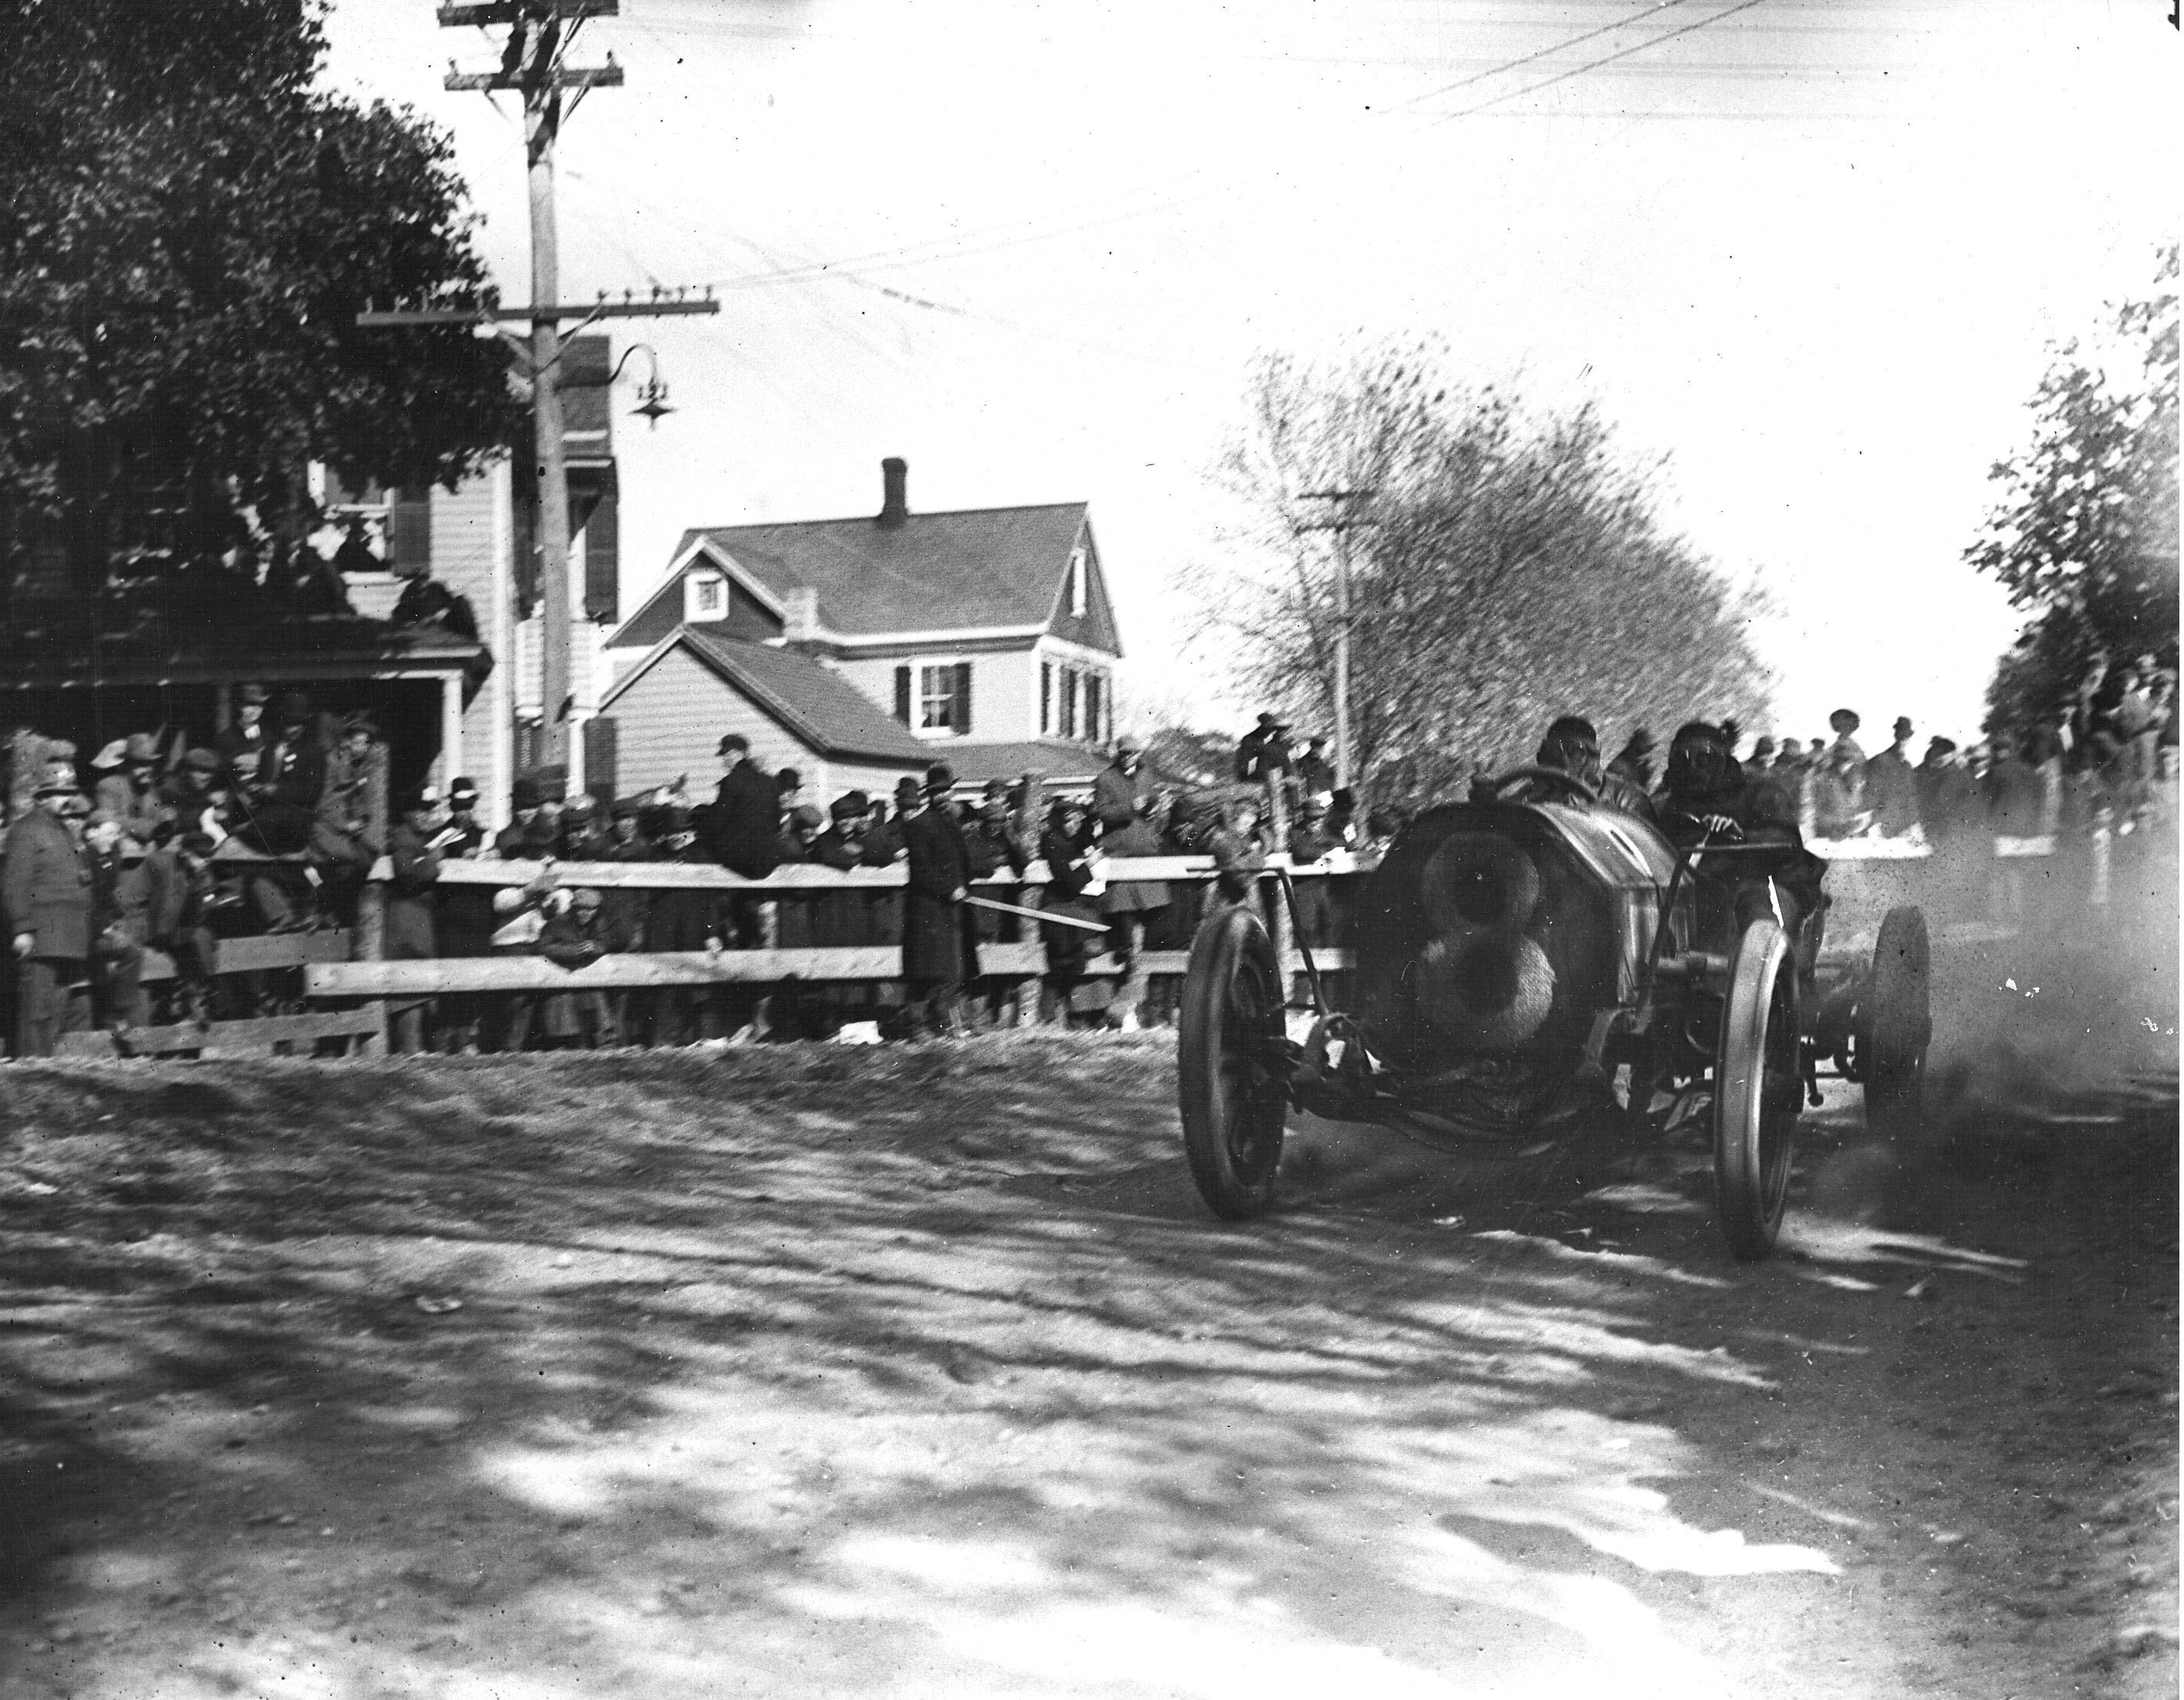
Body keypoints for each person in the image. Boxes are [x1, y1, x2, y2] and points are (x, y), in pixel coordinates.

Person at [1655, 720, 1826, 977]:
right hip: (1692, 887)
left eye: (1703, 759)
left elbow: (1786, 842)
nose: (1692, 768)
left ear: (1721, 758)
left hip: (1762, 880)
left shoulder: (1761, 790)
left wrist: (1740, 836)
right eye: (1682, 759)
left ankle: (1768, 973)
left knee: (1753, 906)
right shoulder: (1666, 802)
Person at [4, 760, 94, 1056]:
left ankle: (48, 1070)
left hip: (67, 936)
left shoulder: (62, 830)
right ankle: (31, 1071)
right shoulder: (26, 830)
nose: (68, 799)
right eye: (60, 793)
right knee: (36, 1012)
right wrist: (22, 929)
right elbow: (15, 883)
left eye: (70, 792)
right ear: (41, 797)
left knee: (56, 1011)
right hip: (41, 936)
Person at [1092, 735, 1170, 1030]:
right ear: (1118, 754)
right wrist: (1131, 807)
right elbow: (1101, 812)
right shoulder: (1105, 778)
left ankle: (1148, 1008)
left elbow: (1156, 805)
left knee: (1156, 933)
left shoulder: (1148, 774)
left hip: (1147, 853)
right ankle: (1121, 1006)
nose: (1130, 757)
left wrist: (1155, 808)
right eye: (1125, 753)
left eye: (1134, 753)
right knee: (1123, 933)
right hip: (1120, 856)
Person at [896, 774, 975, 1038]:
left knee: (952, 972)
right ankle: (917, 1025)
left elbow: (963, 863)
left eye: (946, 791)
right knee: (926, 972)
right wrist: (949, 889)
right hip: (929, 910)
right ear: (928, 794)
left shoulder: (952, 823)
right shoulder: (919, 824)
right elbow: (921, 870)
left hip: (953, 911)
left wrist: (964, 886)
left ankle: (943, 1024)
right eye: (936, 792)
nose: (942, 797)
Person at [382, 790, 443, 1053]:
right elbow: (407, 875)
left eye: (431, 809)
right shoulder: (402, 838)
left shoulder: (417, 838)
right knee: (408, 984)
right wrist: (433, 860)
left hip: (418, 922)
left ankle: (413, 1047)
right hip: (406, 923)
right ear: (408, 813)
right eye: (422, 809)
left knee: (416, 984)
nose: (428, 814)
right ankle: (410, 1049)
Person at [1037, 797, 1106, 1024]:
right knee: (1061, 961)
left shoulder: (1071, 839)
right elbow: (1070, 882)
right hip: (1058, 906)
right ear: (1059, 821)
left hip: (1071, 907)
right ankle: (1048, 1017)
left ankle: (1071, 1018)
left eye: (1078, 821)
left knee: (1073, 960)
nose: (1074, 826)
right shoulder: (1052, 841)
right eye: (1069, 821)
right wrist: (1089, 865)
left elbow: (1087, 838)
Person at [82, 812, 148, 1038]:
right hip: (86, 933)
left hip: (100, 928)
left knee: (130, 944)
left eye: (117, 834)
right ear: (91, 833)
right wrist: (105, 928)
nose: (115, 838)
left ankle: (119, 1014)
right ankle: (119, 1013)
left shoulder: (107, 859)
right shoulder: (83, 859)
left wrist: (118, 922)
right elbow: (86, 903)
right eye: (109, 833)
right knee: (131, 952)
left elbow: (109, 899)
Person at [537, 887, 628, 1049]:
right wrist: (572, 951)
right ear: (574, 907)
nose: (587, 914)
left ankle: (605, 1040)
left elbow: (605, 942)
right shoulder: (557, 924)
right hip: (560, 976)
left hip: (587, 977)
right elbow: (543, 947)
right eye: (582, 909)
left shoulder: (598, 923)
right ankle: (566, 1044)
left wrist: (595, 947)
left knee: (596, 996)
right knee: (563, 1005)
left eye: (592, 909)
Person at [93, 734, 171, 847]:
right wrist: (150, 827)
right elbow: (106, 820)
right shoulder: (108, 785)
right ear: (127, 765)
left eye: (151, 764)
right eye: (141, 765)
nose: (148, 770)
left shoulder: (151, 788)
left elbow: (160, 818)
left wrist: (167, 818)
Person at [1865, 717, 1920, 837]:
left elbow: (1911, 795)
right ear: (1896, 735)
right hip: (1881, 823)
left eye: (1906, 736)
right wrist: (1874, 822)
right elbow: (1871, 794)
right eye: (1901, 735)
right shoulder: (1881, 760)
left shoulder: (1907, 766)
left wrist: (1912, 823)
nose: (1903, 739)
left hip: (1901, 824)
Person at [215, 684, 272, 790]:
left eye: (260, 705)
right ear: (239, 705)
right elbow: (219, 774)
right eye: (249, 704)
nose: (255, 709)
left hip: (262, 794)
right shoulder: (226, 738)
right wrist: (234, 761)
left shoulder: (267, 736)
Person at [1233, 712, 1291, 787]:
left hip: (1277, 762)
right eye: (1267, 722)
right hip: (1266, 764)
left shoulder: (1278, 731)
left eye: (1270, 721)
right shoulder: (1253, 737)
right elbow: (1246, 756)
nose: (1269, 724)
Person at [1294, 736, 1336, 800]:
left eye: (1322, 748)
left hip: (1326, 794)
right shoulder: (1305, 761)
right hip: (1315, 795)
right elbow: (1305, 777)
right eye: (1320, 748)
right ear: (1314, 748)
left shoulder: (1323, 761)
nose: (1322, 750)